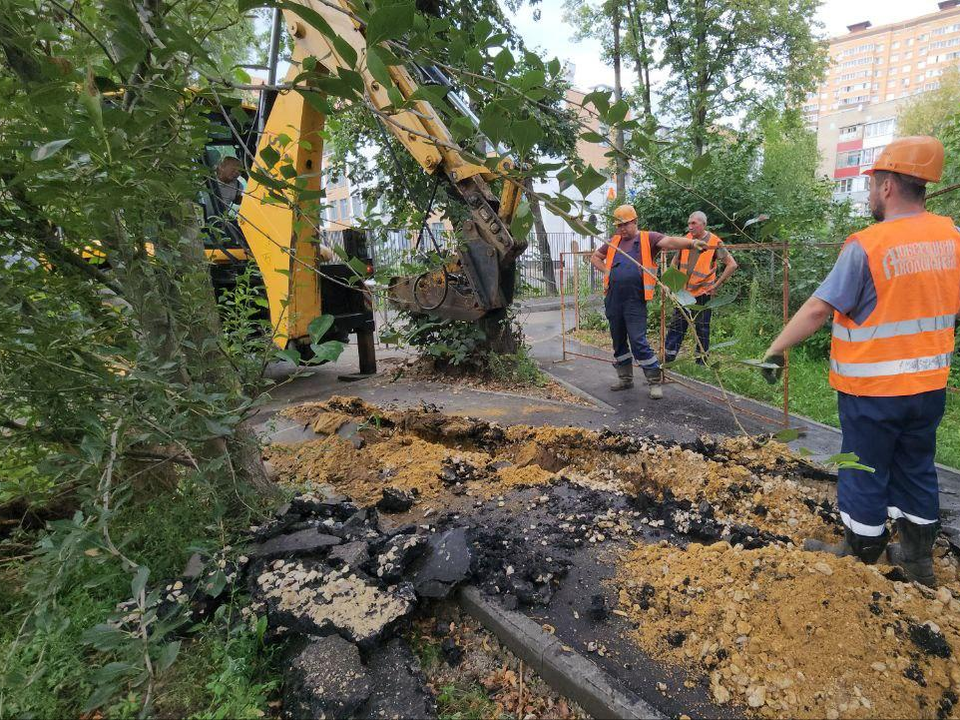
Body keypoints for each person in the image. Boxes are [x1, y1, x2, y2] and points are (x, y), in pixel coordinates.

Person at [760, 136, 960, 587]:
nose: (871, 192)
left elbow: (817, 309)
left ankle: (861, 550)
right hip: (929, 387)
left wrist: (775, 349)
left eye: (873, 184)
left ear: (888, 185)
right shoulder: (952, 239)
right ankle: (916, 560)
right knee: (916, 466)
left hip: (872, 392)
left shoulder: (869, 245)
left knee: (863, 467)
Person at [590, 204, 708, 399]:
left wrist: (691, 244)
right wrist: (607, 271)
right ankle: (625, 379)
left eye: (625, 225)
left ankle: (654, 381)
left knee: (638, 340)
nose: (621, 229)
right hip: (613, 298)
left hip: (635, 300)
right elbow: (595, 258)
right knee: (618, 340)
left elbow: (669, 242)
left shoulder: (648, 238)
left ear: (635, 222)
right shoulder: (614, 241)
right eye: (618, 226)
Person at [664, 211, 738, 365]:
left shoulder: (714, 242)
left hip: (703, 293)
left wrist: (715, 286)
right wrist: (672, 284)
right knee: (677, 326)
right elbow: (674, 262)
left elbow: (732, 265)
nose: (690, 226)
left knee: (702, 328)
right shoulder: (686, 240)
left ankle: (701, 362)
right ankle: (667, 358)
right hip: (683, 292)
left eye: (694, 224)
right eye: (689, 223)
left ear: (703, 224)